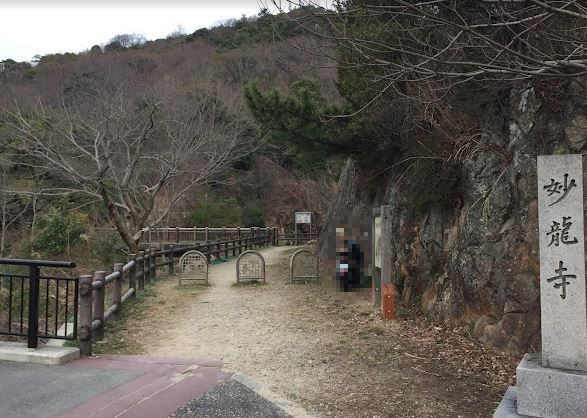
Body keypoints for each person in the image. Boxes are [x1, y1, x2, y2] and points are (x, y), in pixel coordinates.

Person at [335, 227, 363, 292]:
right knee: (344, 272)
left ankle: (349, 285)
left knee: (348, 272)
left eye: (341, 234)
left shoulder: (349, 242)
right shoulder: (341, 242)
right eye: (338, 234)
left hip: (350, 260)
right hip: (345, 261)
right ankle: (345, 285)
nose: (339, 236)